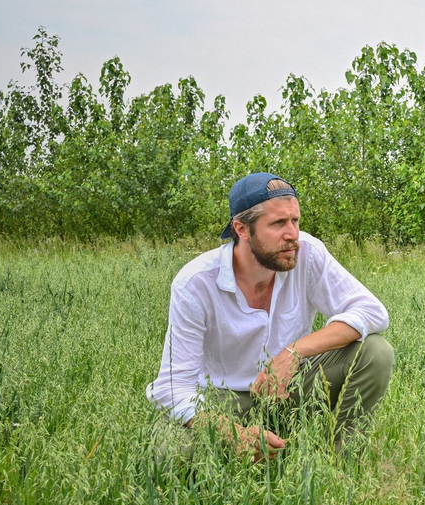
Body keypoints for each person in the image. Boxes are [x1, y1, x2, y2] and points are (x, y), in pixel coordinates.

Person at [147, 172, 394, 460]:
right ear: (241, 229)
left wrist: (294, 352)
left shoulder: (307, 253)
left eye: (295, 221)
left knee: (375, 351)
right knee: (165, 454)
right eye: (278, 223)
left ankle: (338, 465)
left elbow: (371, 311)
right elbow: (172, 388)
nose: (292, 234)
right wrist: (233, 434)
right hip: (221, 400)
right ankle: (241, 454)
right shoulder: (195, 283)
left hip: (289, 390)